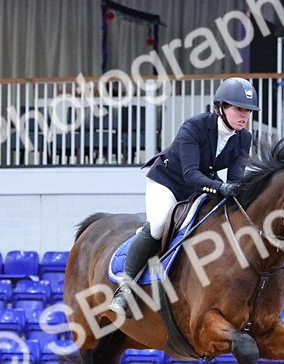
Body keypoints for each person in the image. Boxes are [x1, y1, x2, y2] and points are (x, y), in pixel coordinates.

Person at [108, 76, 259, 317]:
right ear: (221, 106)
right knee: (158, 225)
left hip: (201, 187)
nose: (244, 116)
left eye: (248, 111)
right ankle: (125, 287)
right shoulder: (194, 127)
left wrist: (238, 191)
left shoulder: (244, 139)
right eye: (238, 109)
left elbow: (235, 179)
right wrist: (221, 188)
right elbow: (190, 175)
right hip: (169, 182)